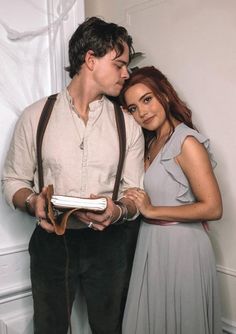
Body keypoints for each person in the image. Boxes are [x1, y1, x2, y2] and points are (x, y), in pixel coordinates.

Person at [1, 17, 144, 334]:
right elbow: (12, 181)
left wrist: (117, 209)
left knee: (110, 328)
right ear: (90, 59)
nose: (126, 73)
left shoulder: (128, 126)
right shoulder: (36, 116)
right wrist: (34, 202)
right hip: (51, 245)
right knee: (49, 329)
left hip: (109, 247)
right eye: (119, 64)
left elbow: (136, 194)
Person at [120, 66, 223, 334]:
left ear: (164, 95)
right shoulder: (151, 143)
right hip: (150, 243)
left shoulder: (186, 142)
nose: (142, 112)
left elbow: (213, 207)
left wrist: (151, 210)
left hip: (183, 248)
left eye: (147, 99)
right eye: (133, 108)